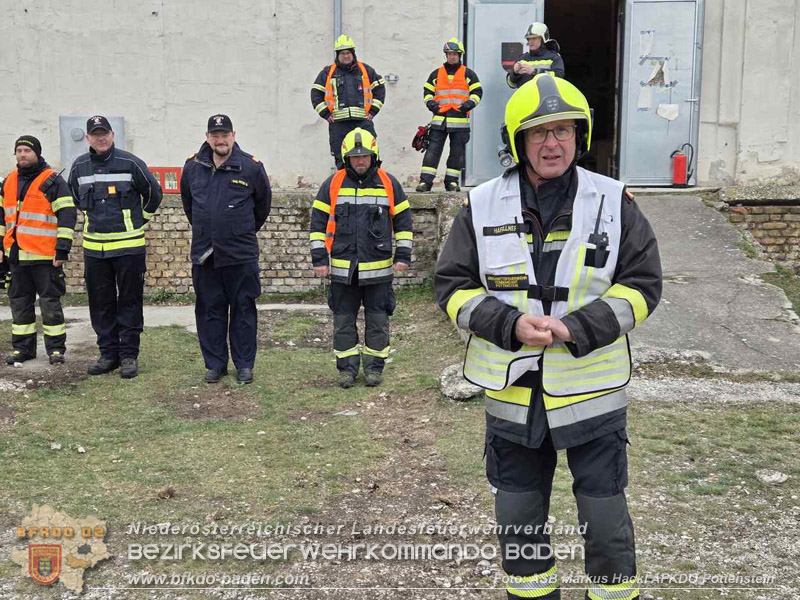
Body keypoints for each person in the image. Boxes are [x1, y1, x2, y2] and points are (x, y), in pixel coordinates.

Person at [435, 73, 661, 600]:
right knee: (518, 521)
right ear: (519, 141)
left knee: (604, 518)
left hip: (593, 391)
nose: (552, 143)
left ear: (578, 137)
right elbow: (451, 286)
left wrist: (576, 328)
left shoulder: (614, 201)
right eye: (539, 133)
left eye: (562, 131)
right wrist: (508, 324)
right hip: (514, 394)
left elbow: (643, 285)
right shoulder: (481, 204)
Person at [309, 128, 412, 388]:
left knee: (378, 321)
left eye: (365, 156)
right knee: (343, 321)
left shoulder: (389, 182)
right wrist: (319, 259)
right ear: (346, 158)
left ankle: (374, 369)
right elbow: (317, 223)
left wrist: (403, 254)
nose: (360, 161)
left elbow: (404, 221)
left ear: (374, 156)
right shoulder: (332, 183)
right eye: (355, 157)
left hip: (378, 271)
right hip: (344, 271)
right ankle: (347, 370)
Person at [68, 116, 162, 378]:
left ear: (112, 135)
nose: (100, 138)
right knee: (101, 304)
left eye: (104, 133)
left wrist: (140, 220)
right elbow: (76, 198)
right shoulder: (79, 166)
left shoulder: (130, 163)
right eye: (95, 134)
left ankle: (129, 355)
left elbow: (154, 193)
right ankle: (108, 354)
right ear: (87, 138)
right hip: (94, 250)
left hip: (129, 249)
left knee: (129, 302)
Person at [180, 114, 271, 385]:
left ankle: (244, 365)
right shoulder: (193, 166)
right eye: (215, 135)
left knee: (243, 309)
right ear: (208, 137)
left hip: (240, 253)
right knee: (210, 310)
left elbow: (262, 207)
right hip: (205, 253)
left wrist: (236, 231)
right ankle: (215, 364)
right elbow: (189, 206)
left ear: (233, 135)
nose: (220, 140)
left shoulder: (251, 167)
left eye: (225, 135)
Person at [0, 136, 76, 365]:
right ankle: (22, 349)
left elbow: (67, 214)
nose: (22, 155)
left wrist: (62, 248)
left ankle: (55, 350)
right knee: (19, 304)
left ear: (37, 153)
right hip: (16, 256)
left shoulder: (52, 181)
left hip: (45, 256)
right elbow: (2, 217)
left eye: (27, 150)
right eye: (19, 150)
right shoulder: (9, 181)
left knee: (50, 304)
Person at [415, 38, 482, 193]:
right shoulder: (436, 74)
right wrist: (431, 104)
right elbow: (427, 92)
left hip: (459, 122)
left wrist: (468, 104)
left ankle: (451, 182)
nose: (452, 57)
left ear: (460, 55)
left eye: (455, 54)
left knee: (456, 154)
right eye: (449, 54)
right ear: (446, 55)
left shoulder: (468, 74)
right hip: (440, 121)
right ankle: (425, 182)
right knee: (432, 152)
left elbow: (477, 92)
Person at [311, 34, 386, 169]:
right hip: (339, 124)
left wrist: (373, 110)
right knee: (341, 157)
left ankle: (374, 184)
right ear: (337, 55)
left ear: (353, 53)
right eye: (342, 53)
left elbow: (380, 89)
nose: (345, 56)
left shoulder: (366, 70)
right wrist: (326, 115)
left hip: (363, 121)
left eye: (348, 53)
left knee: (371, 153)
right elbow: (316, 94)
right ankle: (342, 185)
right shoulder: (328, 72)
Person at [507, 22, 565, 89]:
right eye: (529, 39)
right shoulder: (522, 59)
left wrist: (535, 72)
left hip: (545, 98)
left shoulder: (553, 58)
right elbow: (511, 85)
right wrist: (514, 73)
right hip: (526, 98)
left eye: (534, 38)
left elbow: (559, 77)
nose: (530, 41)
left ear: (543, 39)